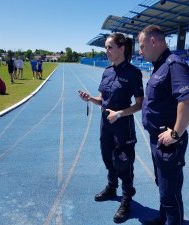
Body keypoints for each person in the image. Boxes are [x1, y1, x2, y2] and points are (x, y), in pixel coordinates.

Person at [78, 33, 144, 224]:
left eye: (109, 47)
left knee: (124, 162)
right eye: (106, 48)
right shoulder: (106, 71)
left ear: (121, 48)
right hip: (106, 124)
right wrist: (89, 98)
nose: (106, 51)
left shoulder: (133, 73)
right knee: (107, 157)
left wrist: (120, 114)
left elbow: (139, 104)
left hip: (123, 124)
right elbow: (102, 100)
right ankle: (111, 187)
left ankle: (126, 199)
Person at [138, 25, 189, 225]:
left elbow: (188, 100)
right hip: (158, 139)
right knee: (163, 185)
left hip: (168, 141)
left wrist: (175, 134)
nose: (140, 51)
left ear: (152, 41)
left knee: (170, 192)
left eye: (141, 46)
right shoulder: (160, 65)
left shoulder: (174, 65)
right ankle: (163, 219)